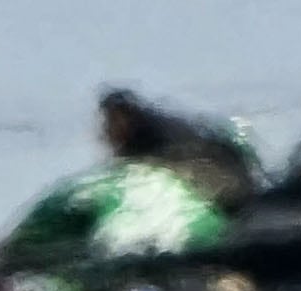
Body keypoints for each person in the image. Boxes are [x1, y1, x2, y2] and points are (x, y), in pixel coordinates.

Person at [91, 86, 261, 204]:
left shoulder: (157, 134)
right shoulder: (136, 138)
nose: (107, 129)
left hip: (223, 179)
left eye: (113, 120)